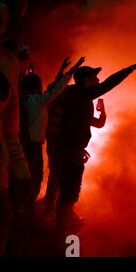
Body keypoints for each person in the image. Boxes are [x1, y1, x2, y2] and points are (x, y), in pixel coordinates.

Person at [55, 57, 136, 230]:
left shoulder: (76, 97)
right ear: (86, 81)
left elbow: (97, 123)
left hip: (69, 152)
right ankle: (61, 238)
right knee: (68, 197)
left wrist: (102, 112)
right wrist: (131, 68)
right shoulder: (81, 95)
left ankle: (61, 230)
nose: (98, 80)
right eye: (95, 77)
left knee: (65, 196)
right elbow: (110, 83)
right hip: (70, 155)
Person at [19, 56, 84, 223]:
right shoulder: (37, 102)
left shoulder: (25, 101)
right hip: (32, 148)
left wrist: (62, 71)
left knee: (30, 184)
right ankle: (26, 221)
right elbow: (55, 90)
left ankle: (25, 219)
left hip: (27, 146)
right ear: (36, 88)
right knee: (33, 185)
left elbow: (54, 89)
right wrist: (72, 70)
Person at [0, 0, 31, 255]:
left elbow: (10, 128)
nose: (1, 13)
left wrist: (20, 171)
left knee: (2, 221)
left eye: (5, 8)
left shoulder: (9, 63)